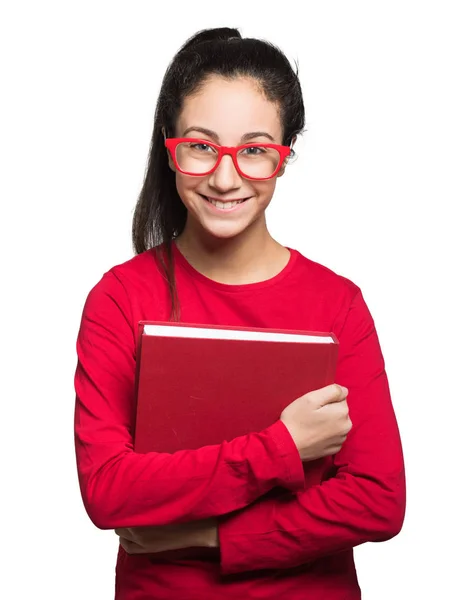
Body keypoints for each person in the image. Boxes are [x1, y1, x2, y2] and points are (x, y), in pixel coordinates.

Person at [74, 27, 405, 600]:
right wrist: (282, 447)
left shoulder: (337, 305)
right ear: (169, 145)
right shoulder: (121, 299)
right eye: (201, 146)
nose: (225, 178)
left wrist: (213, 535)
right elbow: (109, 491)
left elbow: (378, 499)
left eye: (254, 150)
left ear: (285, 156)